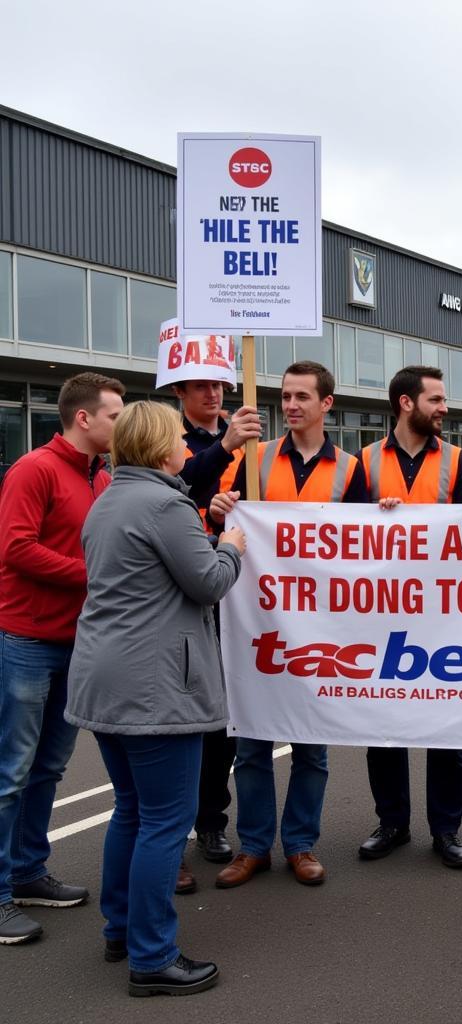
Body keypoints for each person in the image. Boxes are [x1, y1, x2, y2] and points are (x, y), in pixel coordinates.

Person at [65, 401, 245, 996]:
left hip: (104, 677)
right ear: (160, 445)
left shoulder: (109, 498)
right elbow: (209, 582)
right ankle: (152, 955)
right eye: (179, 441)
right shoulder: (166, 504)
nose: (186, 451)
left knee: (133, 811)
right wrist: (232, 546)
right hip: (155, 685)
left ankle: (121, 930)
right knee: (167, 821)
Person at [211, 362, 369, 890]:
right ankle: (255, 846)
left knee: (311, 742)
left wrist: (388, 516)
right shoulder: (251, 458)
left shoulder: (351, 469)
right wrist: (218, 508)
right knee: (252, 740)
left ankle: (300, 844)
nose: (291, 404)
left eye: (303, 395)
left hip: (323, 622)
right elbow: (221, 521)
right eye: (285, 395)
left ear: (327, 403)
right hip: (257, 615)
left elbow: (369, 548)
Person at [0, 372, 124, 946]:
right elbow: (16, 547)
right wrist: (93, 576)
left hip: (74, 641)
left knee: (48, 766)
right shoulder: (34, 470)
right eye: (114, 415)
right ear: (83, 418)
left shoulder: (99, 476)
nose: (119, 424)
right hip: (25, 639)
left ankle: (26, 871)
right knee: (10, 772)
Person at [358, 366, 462, 868]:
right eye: (436, 399)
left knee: (444, 725)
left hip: (442, 612)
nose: (444, 408)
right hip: (380, 611)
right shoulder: (362, 461)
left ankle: (446, 829)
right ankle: (392, 823)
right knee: (383, 726)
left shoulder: (458, 460)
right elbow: (339, 535)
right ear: (406, 404)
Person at [172, 378, 262, 891]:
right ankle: (175, 835)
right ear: (180, 394)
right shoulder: (173, 438)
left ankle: (211, 822)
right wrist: (223, 450)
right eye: (200, 387)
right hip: (191, 588)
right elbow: (179, 485)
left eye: (218, 386)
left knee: (223, 719)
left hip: (238, 590)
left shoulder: (244, 436)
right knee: (187, 720)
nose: (213, 395)